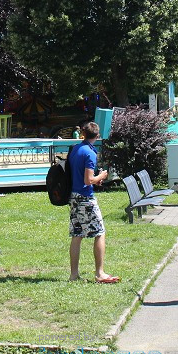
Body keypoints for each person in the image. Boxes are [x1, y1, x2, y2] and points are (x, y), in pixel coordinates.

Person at [68, 121, 119, 283]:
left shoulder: (76, 149)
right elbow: (88, 179)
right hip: (85, 198)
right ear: (97, 136)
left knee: (77, 235)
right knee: (100, 232)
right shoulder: (90, 153)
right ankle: (99, 273)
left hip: (74, 196)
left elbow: (78, 175)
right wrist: (101, 177)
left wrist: (94, 180)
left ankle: (74, 274)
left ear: (83, 133)